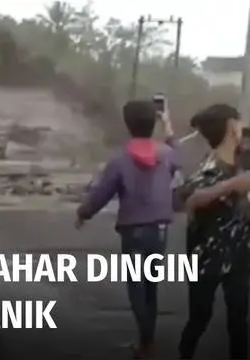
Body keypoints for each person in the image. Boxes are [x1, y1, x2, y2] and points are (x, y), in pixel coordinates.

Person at [75, 100, 179, 358]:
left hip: (133, 232)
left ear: (127, 124)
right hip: (160, 231)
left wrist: (83, 213)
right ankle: (148, 341)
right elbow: (179, 154)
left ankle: (146, 343)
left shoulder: (120, 160)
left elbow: (101, 194)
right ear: (152, 123)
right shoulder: (165, 155)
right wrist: (167, 123)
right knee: (151, 285)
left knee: (136, 287)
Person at [177, 104, 250, 359]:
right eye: (238, 121)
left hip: (237, 253)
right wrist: (230, 186)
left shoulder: (241, 161)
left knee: (239, 320)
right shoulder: (210, 166)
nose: (241, 126)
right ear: (230, 127)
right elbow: (190, 197)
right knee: (200, 317)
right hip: (206, 257)